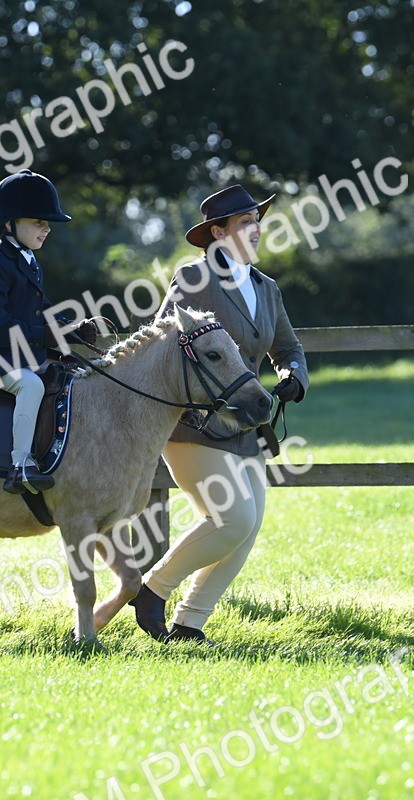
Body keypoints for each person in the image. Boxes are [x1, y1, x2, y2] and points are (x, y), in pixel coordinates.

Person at [130, 184, 309, 643]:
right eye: (246, 222)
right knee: (233, 521)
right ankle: (152, 591)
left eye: (258, 221)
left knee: (246, 529)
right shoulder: (195, 277)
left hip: (246, 424)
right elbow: (165, 340)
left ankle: (190, 625)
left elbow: (287, 346)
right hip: (194, 425)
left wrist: (293, 375)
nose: (257, 229)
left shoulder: (267, 288)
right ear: (218, 231)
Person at [0, 169, 95, 495]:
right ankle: (21, 465)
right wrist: (43, 335)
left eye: (47, 223)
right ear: (9, 223)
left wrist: (72, 329)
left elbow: (43, 309)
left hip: (28, 352)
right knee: (30, 386)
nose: (46, 228)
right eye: (38, 221)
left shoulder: (29, 261)